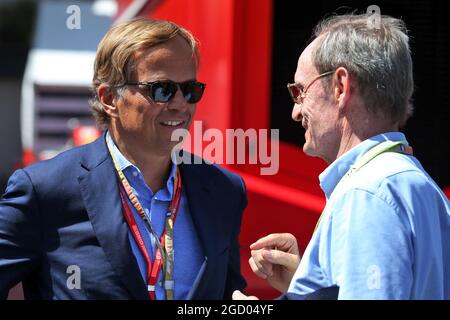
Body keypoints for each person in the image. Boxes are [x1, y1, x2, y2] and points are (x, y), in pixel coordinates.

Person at [0, 18, 247, 300]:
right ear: (109, 98)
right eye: (162, 89)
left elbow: (230, 297)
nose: (180, 104)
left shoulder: (224, 190)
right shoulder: (45, 189)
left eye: (190, 90)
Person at [233, 13, 450, 300]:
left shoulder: (368, 192)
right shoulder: (422, 189)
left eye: (300, 92)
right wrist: (309, 285)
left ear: (340, 87)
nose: (295, 112)